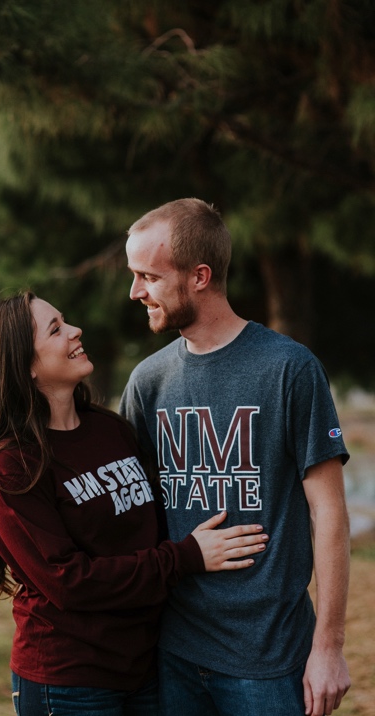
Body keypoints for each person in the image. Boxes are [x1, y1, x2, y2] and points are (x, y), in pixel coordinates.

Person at [0, 291, 270, 716]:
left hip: (146, 667)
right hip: (69, 682)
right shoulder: (10, 466)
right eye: (55, 329)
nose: (75, 330)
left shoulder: (110, 429)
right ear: (25, 366)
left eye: (65, 320)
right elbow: (68, 581)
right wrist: (185, 557)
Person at [119, 198, 352, 716]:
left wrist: (329, 647)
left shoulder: (290, 369)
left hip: (269, 659)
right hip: (173, 653)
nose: (135, 292)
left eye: (148, 277)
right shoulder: (147, 382)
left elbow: (331, 512)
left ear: (199, 276)